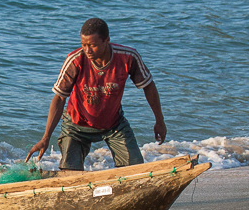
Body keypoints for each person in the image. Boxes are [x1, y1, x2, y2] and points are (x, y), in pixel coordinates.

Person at [26, 18, 166, 170]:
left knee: (134, 170)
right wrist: (46, 137)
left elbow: (148, 86)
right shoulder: (75, 60)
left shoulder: (128, 57)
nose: (87, 50)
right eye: (84, 45)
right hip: (76, 125)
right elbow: (60, 98)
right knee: (70, 172)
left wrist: (159, 120)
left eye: (92, 45)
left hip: (114, 124)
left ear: (107, 41)